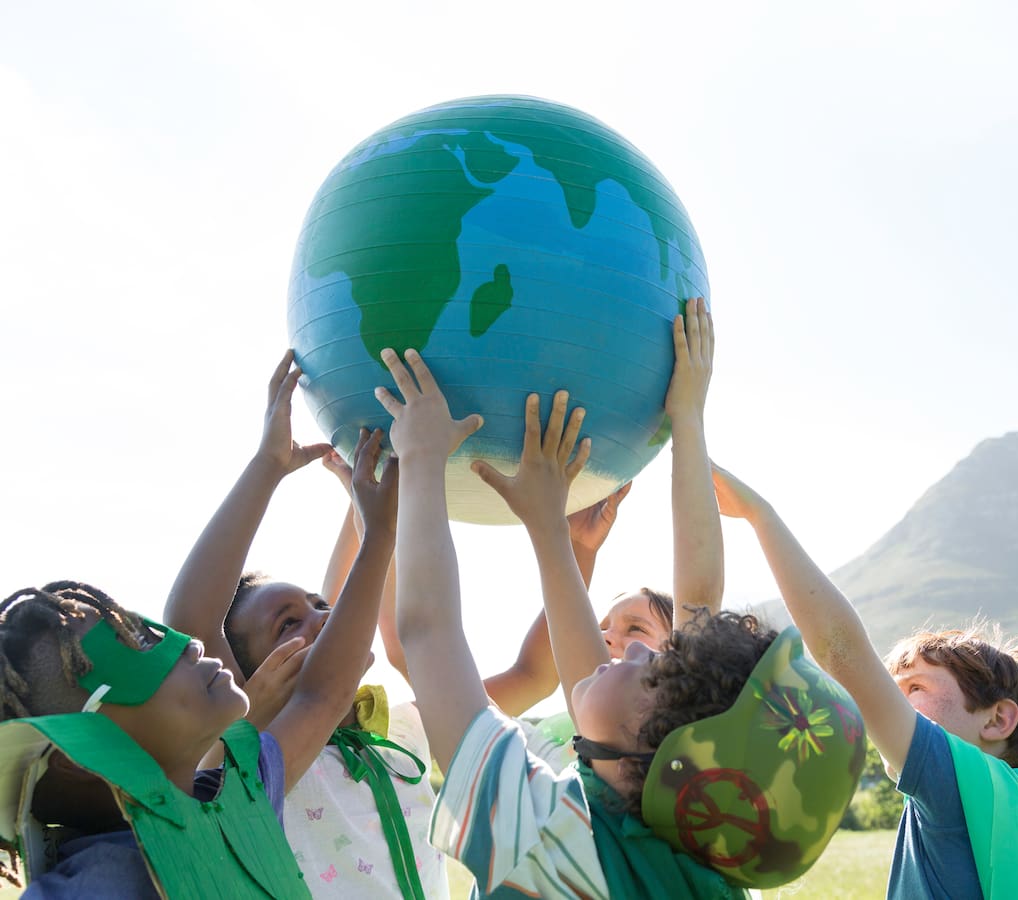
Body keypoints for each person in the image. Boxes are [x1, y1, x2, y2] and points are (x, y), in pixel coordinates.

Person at [378, 298, 863, 896]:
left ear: (661, 766)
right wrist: (552, 530)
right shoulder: (690, 863)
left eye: (654, 670)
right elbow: (623, 679)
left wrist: (421, 460)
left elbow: (428, 633)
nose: (629, 654)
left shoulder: (546, 835)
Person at [0, 417, 395, 897]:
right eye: (138, 648)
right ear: (79, 759)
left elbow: (323, 694)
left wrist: (377, 535)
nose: (184, 644)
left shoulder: (236, 801)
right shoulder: (90, 888)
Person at [708, 462, 1018, 900]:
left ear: (997, 720)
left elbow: (840, 651)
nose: (886, 702)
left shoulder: (959, 786)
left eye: (915, 688)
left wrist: (761, 516)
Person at [162, 351, 448, 900]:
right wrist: (268, 464)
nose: (327, 618)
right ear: (242, 680)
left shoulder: (403, 735)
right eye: (287, 622)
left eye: (323, 605)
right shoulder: (256, 756)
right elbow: (191, 621)